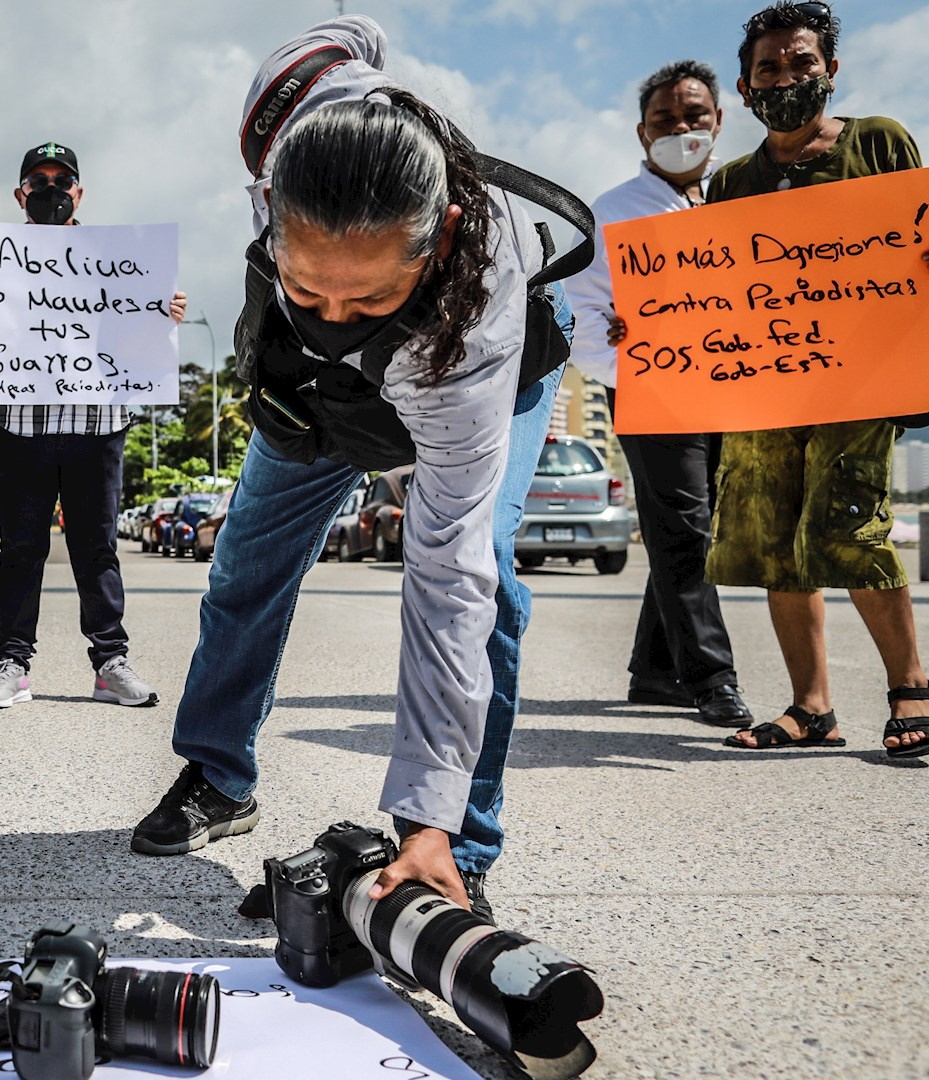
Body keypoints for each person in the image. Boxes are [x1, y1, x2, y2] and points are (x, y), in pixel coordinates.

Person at [128, 17, 571, 919]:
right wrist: (327, 315)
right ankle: (218, 775)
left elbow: (446, 579)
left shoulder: (476, 313)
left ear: (440, 238)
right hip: (313, 396)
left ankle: (454, 842)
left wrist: (424, 816)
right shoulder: (284, 98)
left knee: (486, 575)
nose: (333, 317)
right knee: (246, 560)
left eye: (366, 296)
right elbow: (357, 31)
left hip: (456, 358)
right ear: (268, 203)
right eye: (305, 288)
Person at [698, 1, 929, 756]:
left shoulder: (879, 142)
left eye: (801, 62)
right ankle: (811, 708)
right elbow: (710, 294)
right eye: (768, 67)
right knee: (774, 537)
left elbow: (914, 247)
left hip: (862, 380)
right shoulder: (731, 183)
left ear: (831, 69)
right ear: (745, 88)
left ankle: (912, 686)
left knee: (850, 521)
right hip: (764, 388)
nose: (786, 77)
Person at [0, 142, 184, 709]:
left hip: (98, 422)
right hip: (20, 424)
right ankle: (14, 663)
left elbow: (138, 326)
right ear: (20, 193)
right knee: (21, 550)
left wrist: (162, 311)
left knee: (97, 548)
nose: (51, 190)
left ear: (79, 191)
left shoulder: (120, 259)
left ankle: (110, 663)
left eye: (61, 180)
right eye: (38, 181)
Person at [561, 61, 750, 728]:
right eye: (664, 120)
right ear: (642, 132)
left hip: (735, 389)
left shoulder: (743, 196)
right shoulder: (611, 214)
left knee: (690, 530)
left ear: (718, 120)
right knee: (687, 529)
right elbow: (582, 316)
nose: (680, 129)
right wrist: (636, 363)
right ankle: (711, 679)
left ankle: (655, 671)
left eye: (693, 115)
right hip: (653, 391)